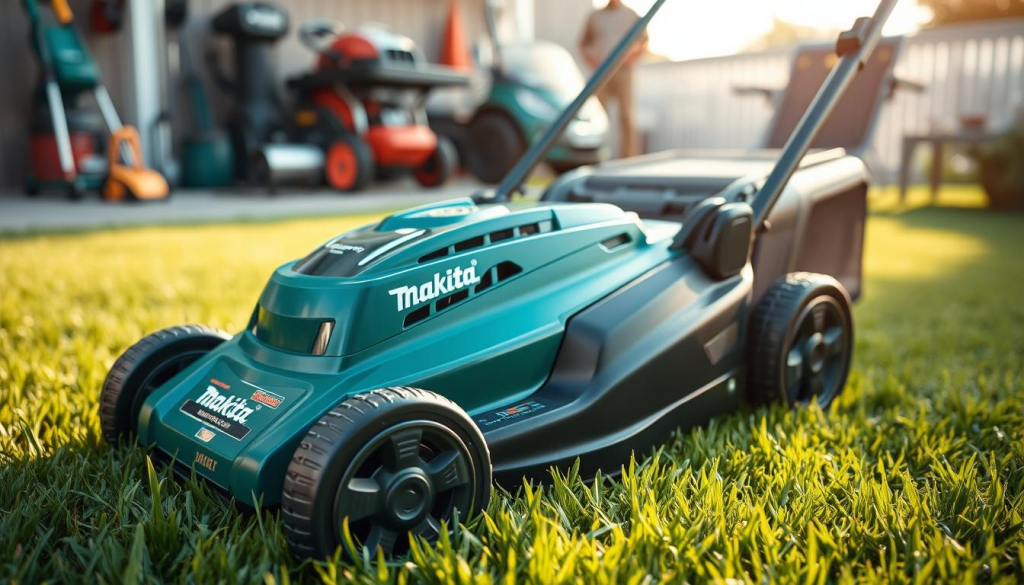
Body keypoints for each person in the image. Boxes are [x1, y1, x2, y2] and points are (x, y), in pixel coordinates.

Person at [579, 0, 648, 159]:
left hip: (624, 71)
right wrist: (592, 62)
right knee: (599, 116)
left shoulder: (631, 15)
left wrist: (632, 57)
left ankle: (628, 159)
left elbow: (644, 40)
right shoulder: (595, 16)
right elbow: (583, 43)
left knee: (626, 115)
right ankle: (600, 157)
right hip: (601, 72)